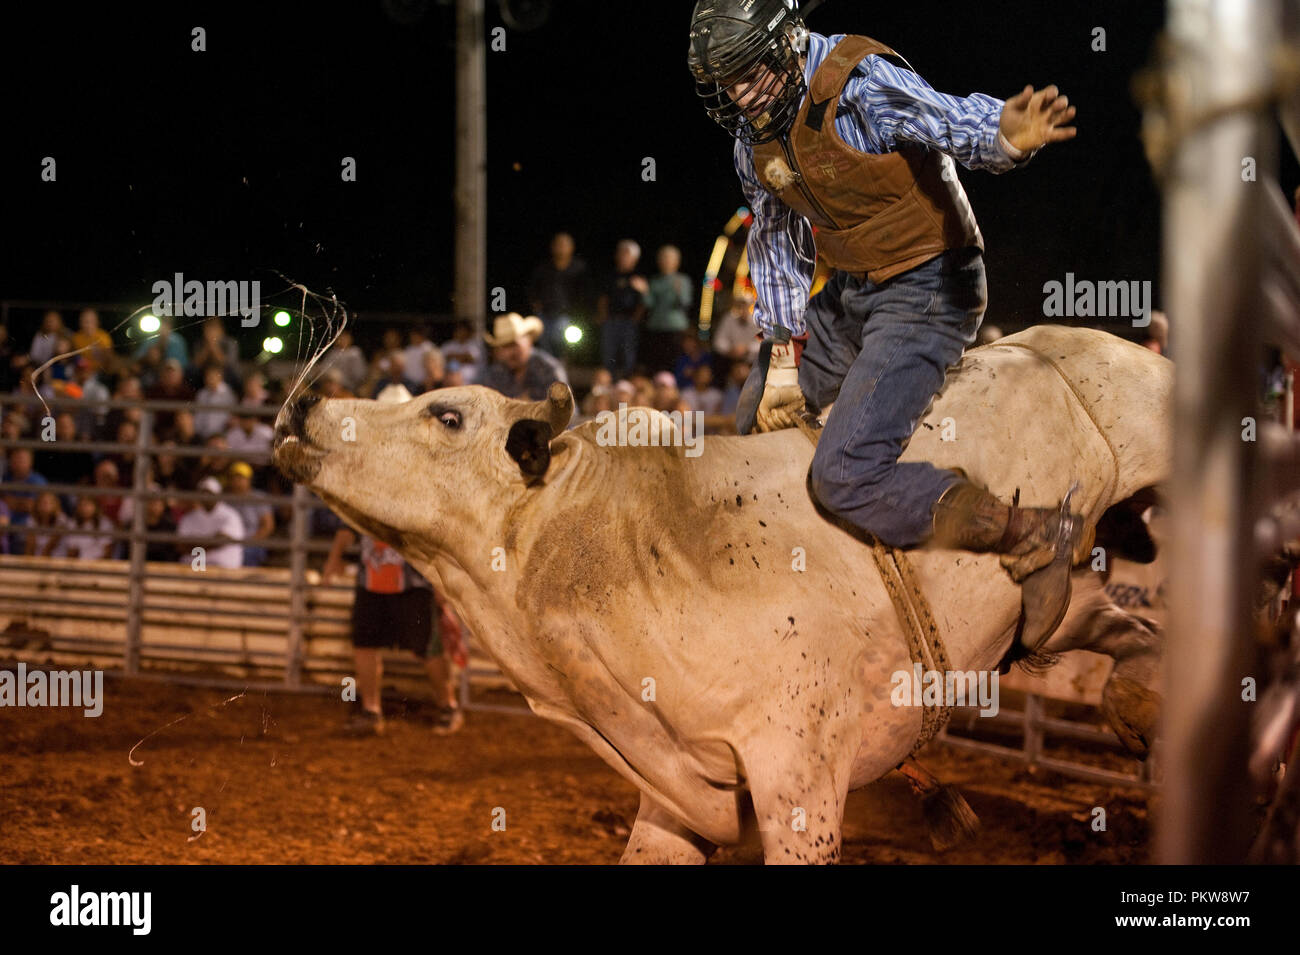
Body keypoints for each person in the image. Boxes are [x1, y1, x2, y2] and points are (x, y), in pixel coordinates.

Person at [688, 0, 1083, 650]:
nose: (738, 93)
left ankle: (1034, 533)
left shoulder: (860, 83)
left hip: (932, 284)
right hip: (854, 289)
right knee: (753, 413)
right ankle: (796, 588)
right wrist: (784, 358)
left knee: (843, 472)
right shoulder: (751, 139)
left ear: (786, 44)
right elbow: (775, 238)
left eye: (747, 72)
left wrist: (1007, 137)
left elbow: (952, 122)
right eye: (724, 80)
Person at [321, 384, 464, 736]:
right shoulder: (366, 464)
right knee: (366, 642)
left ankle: (448, 704)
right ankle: (372, 711)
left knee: (425, 646)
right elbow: (350, 515)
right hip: (375, 571)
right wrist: (336, 555)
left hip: (412, 572)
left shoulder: (424, 468)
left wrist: (441, 577)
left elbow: (436, 526)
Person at [481, 313, 569, 401]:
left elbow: (566, 409)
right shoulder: (495, 373)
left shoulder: (548, 369)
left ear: (529, 341)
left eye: (514, 345)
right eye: (505, 347)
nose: (510, 353)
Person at [527, 232, 590, 356]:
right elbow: (532, 288)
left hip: (566, 316)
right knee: (544, 347)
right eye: (558, 245)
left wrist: (579, 312)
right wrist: (535, 304)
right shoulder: (544, 268)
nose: (561, 248)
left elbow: (585, 292)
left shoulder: (579, 268)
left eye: (564, 245)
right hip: (545, 314)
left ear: (571, 248)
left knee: (563, 346)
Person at [597, 240, 647, 378]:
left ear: (635, 258)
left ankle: (625, 388)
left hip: (629, 322)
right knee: (608, 355)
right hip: (611, 320)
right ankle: (608, 387)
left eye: (628, 254)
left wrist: (636, 319)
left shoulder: (638, 277)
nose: (624, 257)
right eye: (622, 253)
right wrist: (603, 317)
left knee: (628, 357)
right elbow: (603, 298)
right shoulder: (610, 275)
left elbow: (644, 301)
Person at [641, 245, 694, 373]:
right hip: (656, 326)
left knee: (675, 362)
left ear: (677, 261)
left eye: (669, 258)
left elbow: (685, 303)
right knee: (657, 361)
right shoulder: (655, 281)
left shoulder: (683, 280)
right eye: (662, 258)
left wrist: (679, 292)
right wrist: (644, 291)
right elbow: (649, 304)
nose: (665, 261)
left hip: (675, 328)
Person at [176, 476, 245, 569]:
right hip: (194, 569)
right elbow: (181, 546)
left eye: (210, 493)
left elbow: (222, 540)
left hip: (224, 569)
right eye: (203, 493)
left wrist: (195, 545)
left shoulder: (230, 515)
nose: (206, 497)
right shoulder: (189, 517)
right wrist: (211, 541)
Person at [226, 461, 274, 567]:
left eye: (241, 478)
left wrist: (250, 542)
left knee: (246, 554)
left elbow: (268, 526)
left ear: (249, 480)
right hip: (228, 543)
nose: (237, 481)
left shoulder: (259, 498)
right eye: (234, 478)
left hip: (252, 543)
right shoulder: (225, 500)